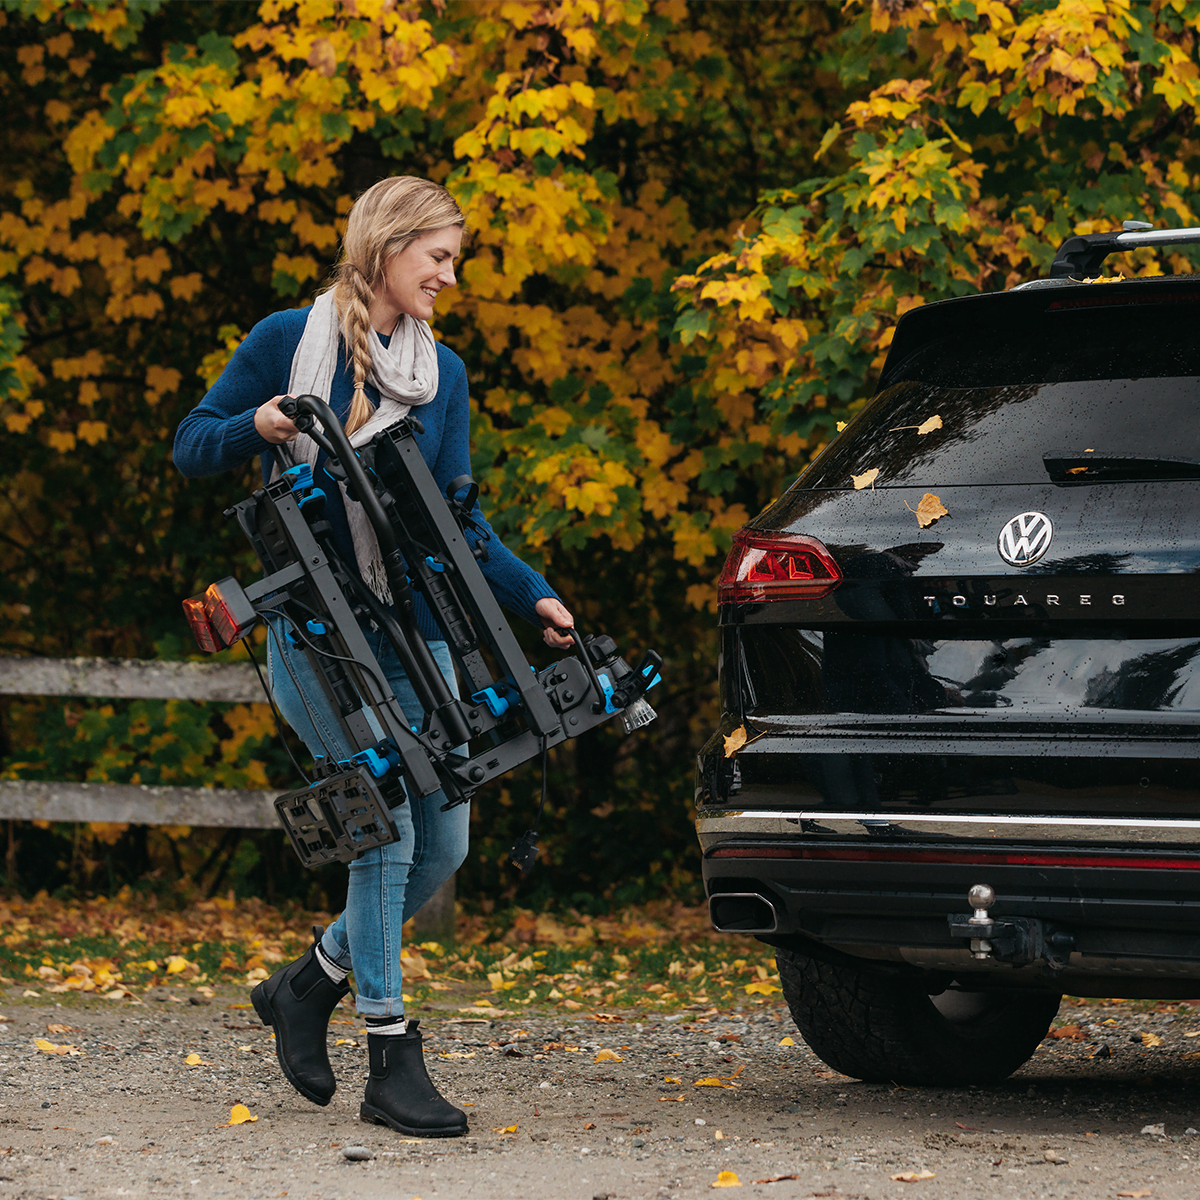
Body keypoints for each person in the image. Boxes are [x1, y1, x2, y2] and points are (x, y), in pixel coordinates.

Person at [173, 176, 574, 1137]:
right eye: (437, 255)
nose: (449, 274)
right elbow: (192, 445)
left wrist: (537, 596)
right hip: (319, 638)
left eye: (454, 258)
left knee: (446, 841)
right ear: (387, 248)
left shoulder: (446, 374)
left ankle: (308, 983)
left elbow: (458, 522)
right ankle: (390, 1058)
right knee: (385, 826)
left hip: (414, 631)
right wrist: (257, 426)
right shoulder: (286, 340)